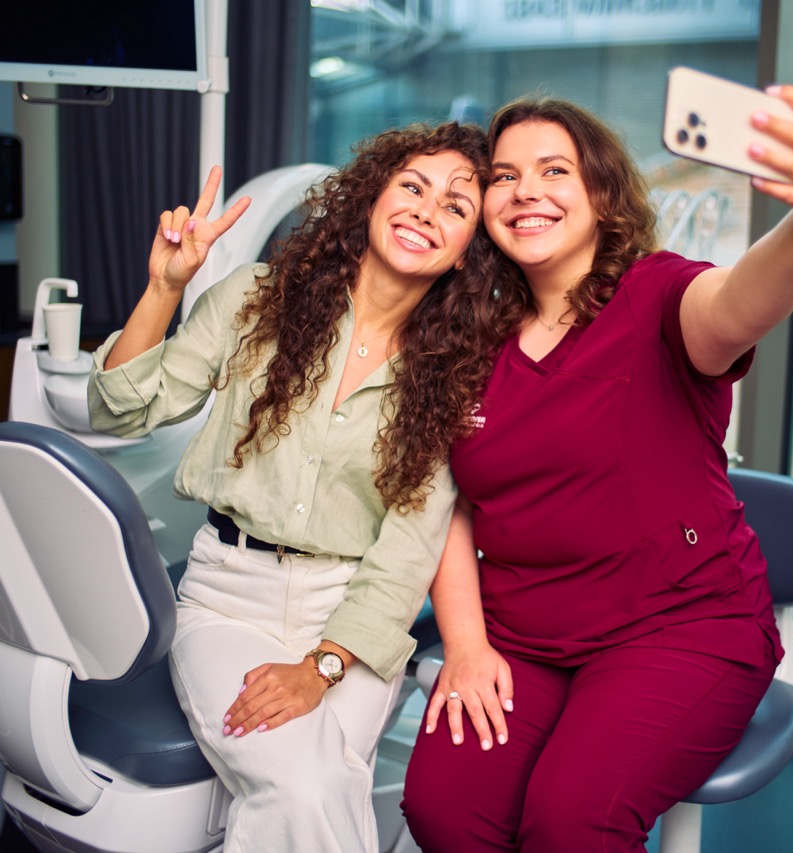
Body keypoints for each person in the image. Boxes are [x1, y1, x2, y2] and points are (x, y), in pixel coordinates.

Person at [400, 88, 793, 852]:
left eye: (555, 170)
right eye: (505, 176)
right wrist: (468, 645)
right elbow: (452, 503)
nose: (527, 191)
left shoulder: (658, 294)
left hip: (680, 627)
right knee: (444, 809)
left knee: (573, 819)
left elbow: (734, 307)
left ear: (602, 194)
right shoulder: (471, 335)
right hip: (526, 634)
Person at [87, 121, 505, 853]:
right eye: (412, 186)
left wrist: (322, 666)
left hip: (350, 613)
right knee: (310, 788)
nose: (425, 211)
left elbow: (410, 548)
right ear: (373, 195)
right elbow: (119, 409)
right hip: (227, 601)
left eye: (455, 206)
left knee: (312, 793)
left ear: (469, 246)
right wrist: (164, 288)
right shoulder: (257, 300)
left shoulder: (454, 373)